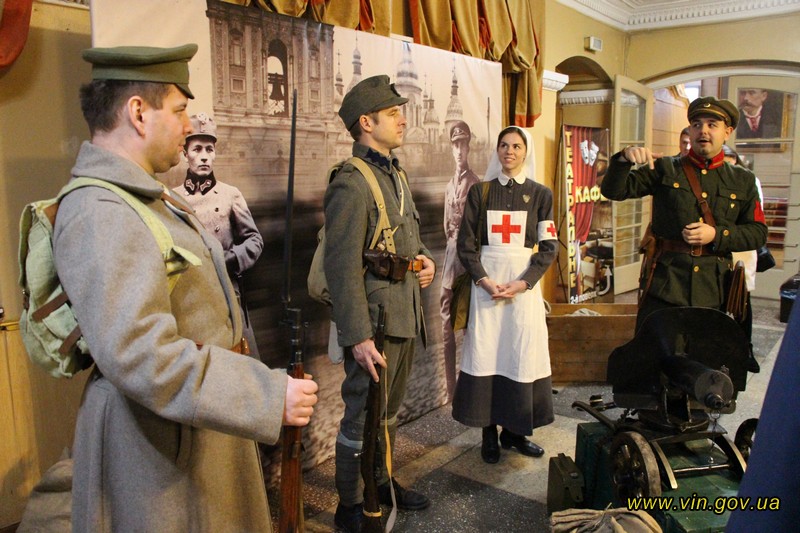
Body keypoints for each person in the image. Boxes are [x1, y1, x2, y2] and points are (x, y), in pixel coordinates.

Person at [58, 44, 318, 532]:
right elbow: (141, 352)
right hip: (159, 457)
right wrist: (263, 395)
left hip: (189, 433)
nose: (187, 126)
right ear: (138, 112)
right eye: (179, 111)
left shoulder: (145, 198)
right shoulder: (101, 211)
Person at [324, 75, 436, 532]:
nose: (402, 119)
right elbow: (341, 267)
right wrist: (357, 337)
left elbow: (407, 236)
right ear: (366, 123)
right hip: (375, 322)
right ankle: (350, 503)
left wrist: (424, 259)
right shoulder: (351, 183)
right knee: (361, 416)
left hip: (404, 312)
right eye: (393, 113)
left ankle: (381, 483)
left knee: (386, 414)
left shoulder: (395, 174)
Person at [601, 96, 768, 331]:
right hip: (665, 287)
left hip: (714, 290)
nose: (703, 130)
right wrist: (623, 159)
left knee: (706, 352)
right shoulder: (665, 168)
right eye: (697, 124)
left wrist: (716, 235)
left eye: (712, 124)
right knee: (655, 351)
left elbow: (757, 233)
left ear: (727, 131)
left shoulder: (743, 180)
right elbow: (614, 191)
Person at [452, 125, 558, 464]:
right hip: (487, 289)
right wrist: (484, 280)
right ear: (497, 151)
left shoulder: (541, 195)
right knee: (488, 353)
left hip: (522, 291)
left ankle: (515, 432)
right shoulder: (480, 192)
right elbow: (466, 244)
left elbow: (549, 247)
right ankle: (488, 433)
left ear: (526, 152)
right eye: (503, 145)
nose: (509, 151)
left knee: (519, 355)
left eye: (516, 146)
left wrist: (523, 282)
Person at [173, 112, 264, 360]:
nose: (204, 156)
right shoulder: (172, 198)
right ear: (185, 153)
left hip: (228, 294)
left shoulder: (230, 195)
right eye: (197, 149)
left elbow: (254, 241)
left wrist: (228, 260)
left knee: (241, 364)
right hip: (190, 298)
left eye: (209, 149)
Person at [440, 120, 480, 401]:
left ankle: (471, 387)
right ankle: (450, 390)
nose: (458, 150)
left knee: (467, 327)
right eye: (455, 145)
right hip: (449, 262)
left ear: (468, 147)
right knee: (446, 327)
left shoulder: (475, 184)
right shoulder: (448, 186)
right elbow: (447, 227)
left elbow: (478, 228)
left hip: (467, 264)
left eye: (462, 144)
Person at [723, 144, 763, 373]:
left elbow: (755, 222)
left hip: (740, 252)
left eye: (731, 162)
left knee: (741, 301)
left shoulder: (747, 181)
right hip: (716, 253)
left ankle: (745, 349)